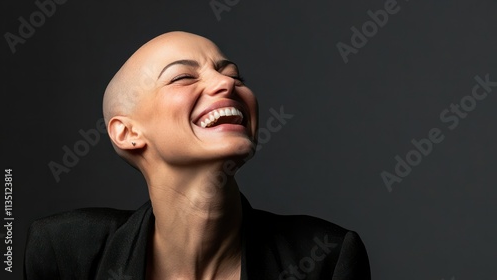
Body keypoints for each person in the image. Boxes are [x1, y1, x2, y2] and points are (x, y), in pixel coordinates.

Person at [24, 31, 371, 280]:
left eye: (232, 74)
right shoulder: (64, 252)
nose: (226, 84)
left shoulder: (328, 256)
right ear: (127, 133)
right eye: (183, 76)